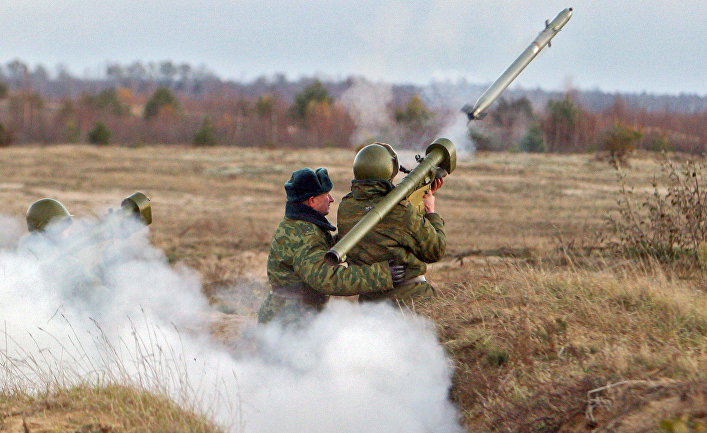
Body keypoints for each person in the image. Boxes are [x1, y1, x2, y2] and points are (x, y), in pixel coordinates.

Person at [257, 167, 404, 325]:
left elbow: (321, 253)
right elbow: (326, 278)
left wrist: (353, 237)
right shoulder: (306, 234)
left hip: (290, 313)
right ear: (312, 201)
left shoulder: (298, 225)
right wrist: (380, 275)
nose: (332, 199)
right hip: (291, 322)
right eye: (326, 195)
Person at [336, 142, 446, 304]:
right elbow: (435, 250)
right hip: (410, 299)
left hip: (369, 304)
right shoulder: (400, 211)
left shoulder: (345, 207)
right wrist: (430, 212)